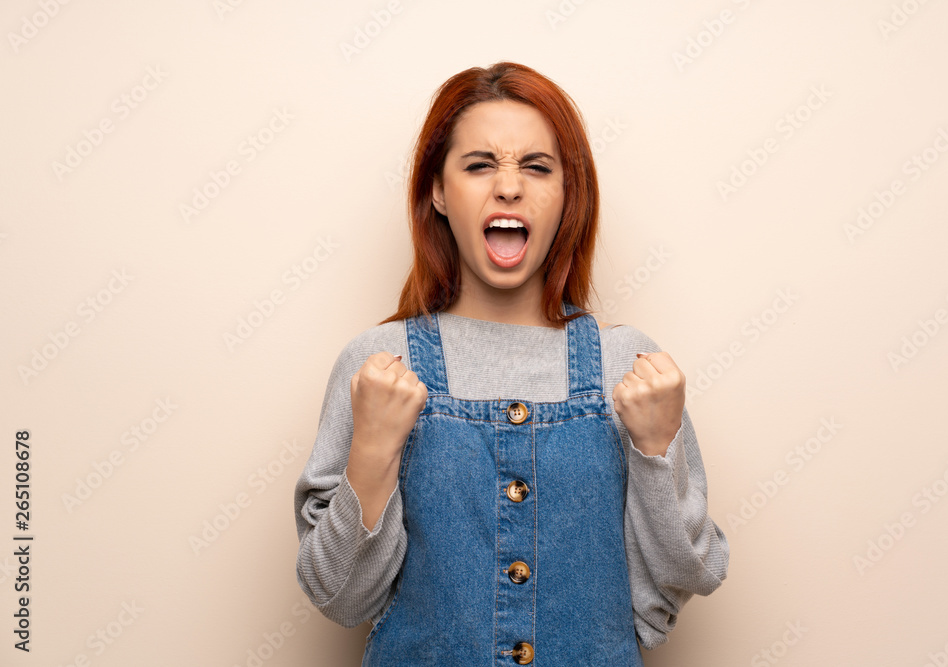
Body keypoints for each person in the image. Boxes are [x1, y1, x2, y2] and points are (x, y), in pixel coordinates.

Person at [294, 61, 729, 665]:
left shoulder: (626, 366)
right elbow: (342, 600)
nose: (508, 188)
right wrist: (371, 452)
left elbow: (671, 595)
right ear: (438, 192)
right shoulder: (377, 364)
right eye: (479, 165)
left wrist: (657, 456)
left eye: (537, 167)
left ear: (568, 195)